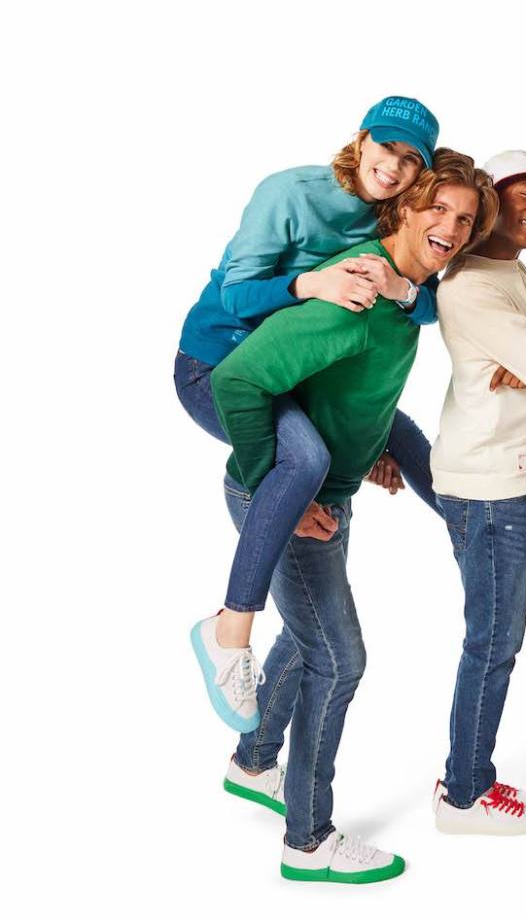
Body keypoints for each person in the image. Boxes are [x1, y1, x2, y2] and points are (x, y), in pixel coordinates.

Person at [211, 150, 494, 879]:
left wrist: (449, 507)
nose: (452, 228)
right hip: (285, 499)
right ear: (401, 208)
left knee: (307, 642)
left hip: (328, 501)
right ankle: (308, 840)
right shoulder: (358, 291)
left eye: (464, 220)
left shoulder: (403, 300)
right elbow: (239, 378)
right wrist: (281, 482)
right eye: (438, 209)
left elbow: (374, 403)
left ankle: (253, 761)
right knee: (339, 657)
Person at [178, 96, 442, 732]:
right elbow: (237, 295)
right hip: (219, 364)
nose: (394, 166)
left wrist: (406, 291)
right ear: (361, 139)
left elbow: (425, 299)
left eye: (411, 160)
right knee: (305, 458)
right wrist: (311, 284)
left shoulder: (391, 211)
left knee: (395, 427)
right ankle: (229, 628)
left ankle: (473, 525)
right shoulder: (288, 193)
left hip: (294, 376)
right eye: (387, 148)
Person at [429, 151, 526, 835]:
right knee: (492, 641)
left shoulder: (509, 272)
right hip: (489, 488)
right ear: (489, 198)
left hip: (508, 478)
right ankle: (463, 794)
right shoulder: (468, 286)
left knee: (497, 637)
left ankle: (472, 772)